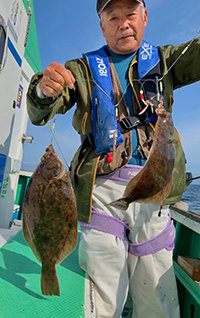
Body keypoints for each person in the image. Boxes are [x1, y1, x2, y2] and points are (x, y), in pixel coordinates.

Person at [27, 0, 200, 317]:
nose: (123, 23)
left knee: (157, 290)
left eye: (131, 14)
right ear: (102, 25)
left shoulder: (165, 60)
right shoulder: (80, 70)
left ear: (144, 16)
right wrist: (43, 90)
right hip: (102, 189)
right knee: (103, 285)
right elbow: (42, 110)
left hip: (154, 193)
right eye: (113, 16)